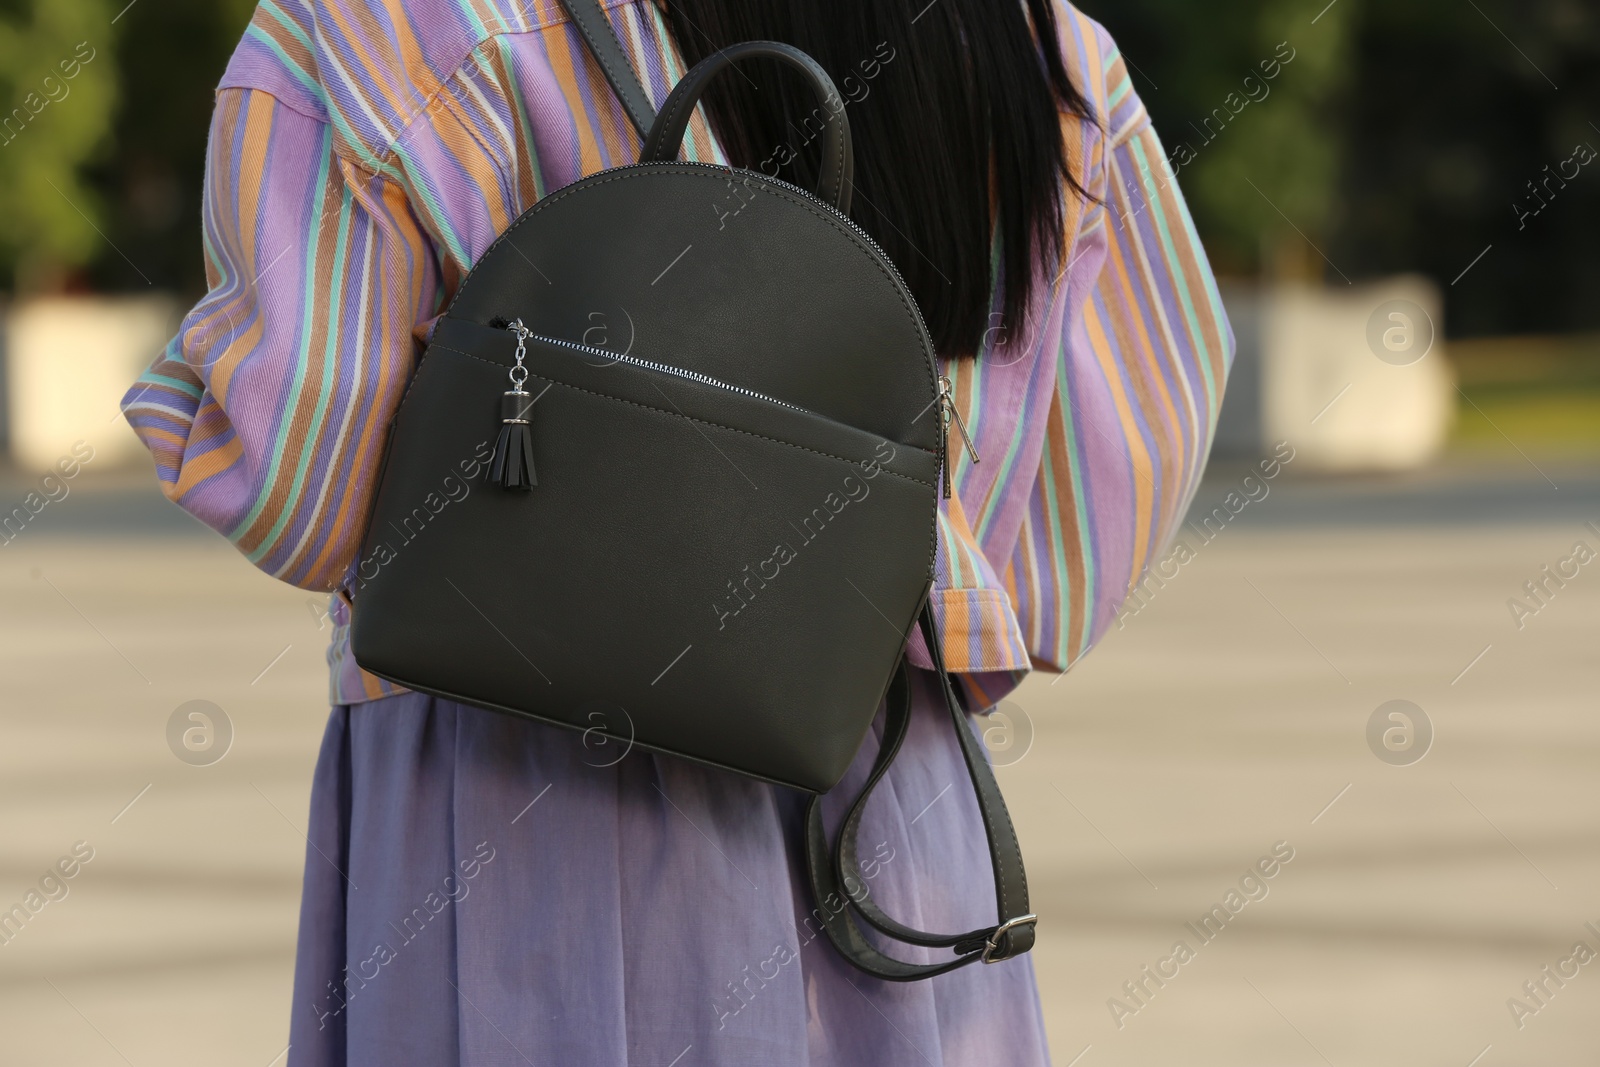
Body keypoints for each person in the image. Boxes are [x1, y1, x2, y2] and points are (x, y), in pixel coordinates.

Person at [122, 0, 1232, 1062]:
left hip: (509, 800)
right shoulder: (1046, 50)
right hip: (886, 820)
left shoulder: (390, 24)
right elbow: (1083, 531)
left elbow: (299, 495)